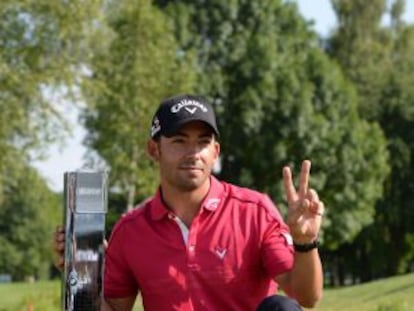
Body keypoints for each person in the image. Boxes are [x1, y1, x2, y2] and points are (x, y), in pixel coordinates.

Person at [54, 94, 324, 311]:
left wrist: (305, 242)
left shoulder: (254, 211)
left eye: (203, 142)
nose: (193, 153)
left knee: (282, 308)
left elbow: (307, 297)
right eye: (180, 141)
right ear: (154, 150)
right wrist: (79, 273)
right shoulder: (130, 231)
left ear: (215, 151)